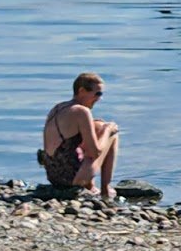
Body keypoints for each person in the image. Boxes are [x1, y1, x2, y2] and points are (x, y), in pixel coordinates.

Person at [39, 71, 121, 199]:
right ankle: (105, 189)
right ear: (82, 91)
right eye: (97, 93)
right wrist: (108, 130)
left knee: (98, 125)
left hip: (54, 176)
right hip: (72, 180)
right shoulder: (82, 112)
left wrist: (100, 127)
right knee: (112, 134)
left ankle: (90, 186)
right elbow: (95, 153)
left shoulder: (58, 107)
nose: (100, 98)